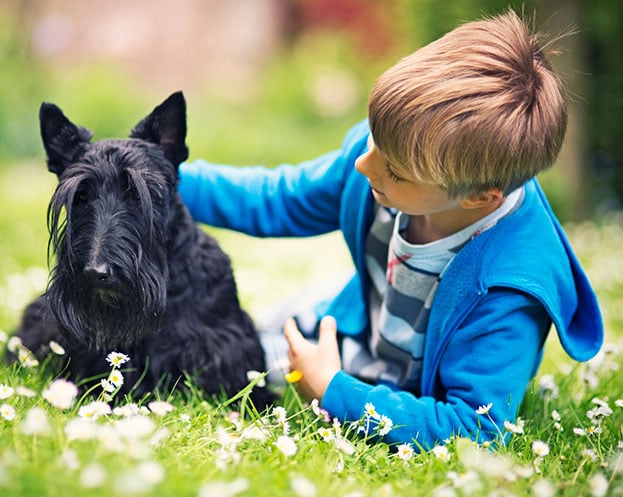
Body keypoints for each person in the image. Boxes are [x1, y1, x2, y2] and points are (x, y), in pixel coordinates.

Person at [177, 9, 603, 449]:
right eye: (372, 139)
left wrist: (332, 390)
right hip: (355, 328)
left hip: (406, 391)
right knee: (231, 348)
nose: (363, 165)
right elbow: (276, 198)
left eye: (394, 171)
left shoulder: (510, 289)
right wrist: (164, 171)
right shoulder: (390, 154)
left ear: (479, 197)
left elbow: (477, 430)